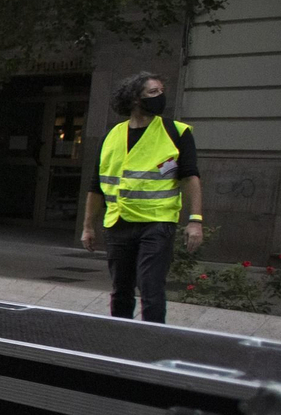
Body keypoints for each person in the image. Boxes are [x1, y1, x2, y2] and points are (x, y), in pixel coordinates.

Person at [82, 72, 204, 323]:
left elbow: (191, 177)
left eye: (161, 91)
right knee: (121, 291)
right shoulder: (111, 136)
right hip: (118, 224)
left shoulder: (176, 132)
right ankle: (121, 338)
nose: (161, 96)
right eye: (153, 92)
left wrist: (195, 221)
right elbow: (96, 186)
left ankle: (151, 343)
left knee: (151, 288)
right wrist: (87, 227)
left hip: (157, 223)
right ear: (135, 98)